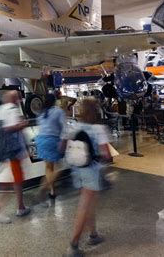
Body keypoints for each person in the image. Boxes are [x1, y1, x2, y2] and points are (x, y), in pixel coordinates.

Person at [63, 99, 111, 257]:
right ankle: (73, 245)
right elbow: (107, 154)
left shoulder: (75, 126)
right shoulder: (99, 129)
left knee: (90, 203)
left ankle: (93, 234)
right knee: (84, 207)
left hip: (77, 169)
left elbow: (63, 146)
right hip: (92, 171)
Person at [0, 90, 31, 223]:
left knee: (16, 179)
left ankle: (21, 206)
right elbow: (9, 129)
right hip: (12, 152)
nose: (19, 100)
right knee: (9, 182)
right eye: (17, 98)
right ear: (13, 99)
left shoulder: (2, 109)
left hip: (9, 152)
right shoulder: (12, 109)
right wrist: (23, 124)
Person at [35, 93, 66, 206]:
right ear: (54, 101)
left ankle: (52, 191)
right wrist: (64, 140)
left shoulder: (41, 112)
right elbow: (64, 127)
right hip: (53, 141)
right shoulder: (58, 111)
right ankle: (43, 188)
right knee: (60, 167)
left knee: (49, 167)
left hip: (41, 140)